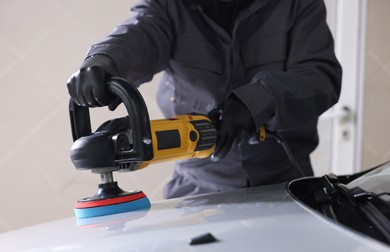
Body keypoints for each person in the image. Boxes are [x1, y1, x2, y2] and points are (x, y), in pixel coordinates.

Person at [67, 0, 342, 199]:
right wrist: (104, 60)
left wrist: (257, 100)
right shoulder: (168, 7)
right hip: (196, 191)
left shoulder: (298, 4)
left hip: (288, 185)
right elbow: (140, 31)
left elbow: (320, 76)